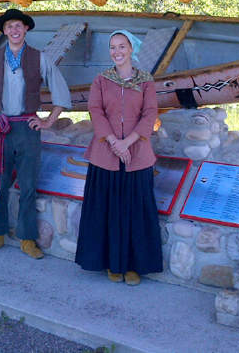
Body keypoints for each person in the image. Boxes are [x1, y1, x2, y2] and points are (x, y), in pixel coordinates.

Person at [0, 8, 72, 259]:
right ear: (4, 31)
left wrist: (49, 121)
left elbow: (61, 91)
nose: (14, 30)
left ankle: (27, 239)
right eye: (9, 26)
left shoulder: (39, 58)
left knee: (28, 185)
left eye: (19, 26)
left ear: (26, 29)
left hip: (27, 128)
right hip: (1, 128)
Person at [75, 30, 162, 286]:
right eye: (113, 47)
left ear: (131, 49)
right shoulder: (101, 80)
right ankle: (112, 264)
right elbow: (95, 111)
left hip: (138, 153)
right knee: (108, 210)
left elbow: (150, 114)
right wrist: (114, 141)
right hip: (106, 153)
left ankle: (134, 266)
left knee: (136, 210)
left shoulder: (145, 81)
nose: (117, 51)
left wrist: (128, 142)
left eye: (122, 46)